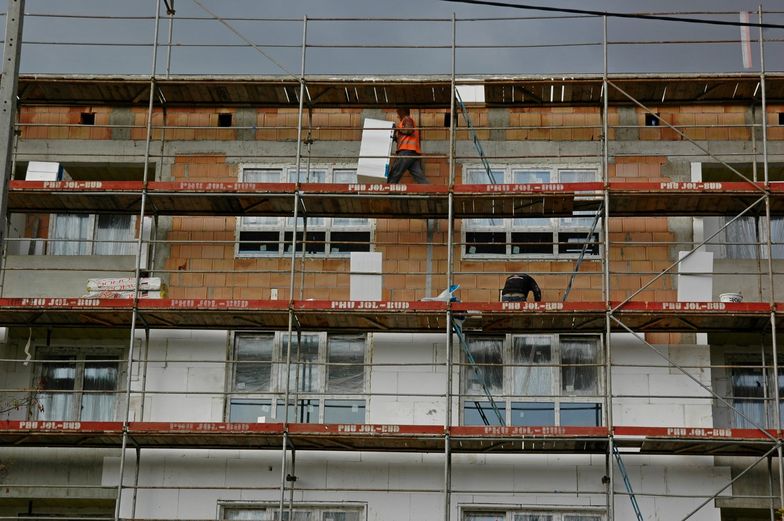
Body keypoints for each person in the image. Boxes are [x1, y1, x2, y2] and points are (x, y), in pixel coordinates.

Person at [388, 108, 428, 184]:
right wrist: (395, 138)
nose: (397, 115)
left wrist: (397, 129)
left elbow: (409, 130)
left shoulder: (407, 119)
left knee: (395, 172)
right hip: (412, 152)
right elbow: (405, 136)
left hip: (406, 151)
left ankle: (389, 191)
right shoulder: (405, 121)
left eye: (398, 112)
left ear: (403, 111)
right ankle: (430, 190)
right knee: (419, 176)